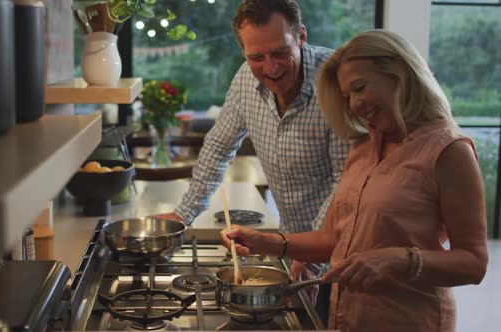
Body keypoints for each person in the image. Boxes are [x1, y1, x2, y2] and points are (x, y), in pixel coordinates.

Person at [220, 29, 489, 332]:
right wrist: (265, 242)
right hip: (346, 316)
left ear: (399, 72)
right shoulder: (363, 146)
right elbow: (332, 240)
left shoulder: (448, 150)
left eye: (360, 88)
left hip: (408, 321)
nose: (354, 105)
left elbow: (474, 263)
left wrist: (401, 260)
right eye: (347, 96)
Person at [155, 0, 348, 291]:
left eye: (281, 52)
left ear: (301, 36)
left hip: (342, 254)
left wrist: (310, 256)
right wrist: (184, 213)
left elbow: (345, 181)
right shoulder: (245, 80)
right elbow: (219, 146)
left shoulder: (334, 81)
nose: (271, 67)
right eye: (257, 57)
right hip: (290, 247)